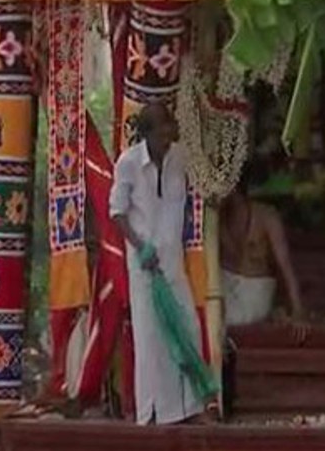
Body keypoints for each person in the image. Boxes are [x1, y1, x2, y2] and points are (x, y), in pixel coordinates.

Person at [110, 100, 205, 426]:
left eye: (171, 129)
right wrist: (140, 247)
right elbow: (117, 213)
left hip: (173, 262)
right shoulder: (128, 163)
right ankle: (152, 413)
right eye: (163, 130)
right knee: (152, 339)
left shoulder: (180, 158)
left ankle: (190, 408)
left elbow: (202, 188)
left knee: (188, 329)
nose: (169, 136)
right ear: (147, 134)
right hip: (145, 266)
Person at [220, 179, 308, 341]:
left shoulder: (266, 217)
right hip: (223, 292)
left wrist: (298, 312)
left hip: (253, 296)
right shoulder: (213, 219)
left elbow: (285, 267)